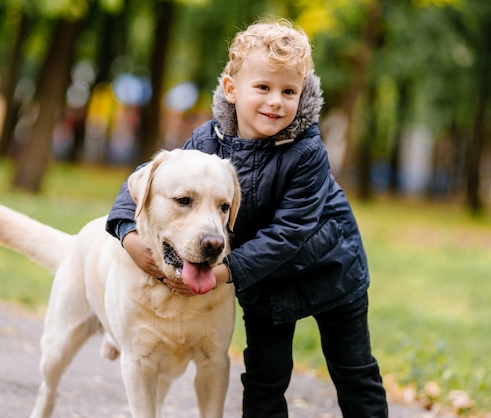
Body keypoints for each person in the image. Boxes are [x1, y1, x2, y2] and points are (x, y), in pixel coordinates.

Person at [106, 18, 388, 418]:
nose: (276, 101)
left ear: (302, 96)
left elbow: (289, 234)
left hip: (331, 273)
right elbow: (146, 181)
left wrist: (222, 273)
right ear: (231, 90)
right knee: (264, 377)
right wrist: (127, 235)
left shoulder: (308, 153)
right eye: (263, 88)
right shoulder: (205, 142)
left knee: (354, 372)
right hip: (264, 282)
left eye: (289, 91)